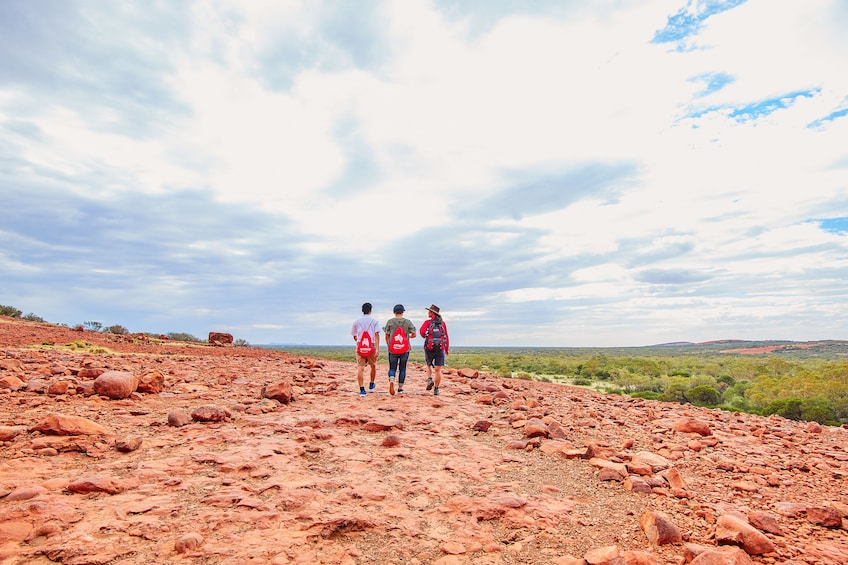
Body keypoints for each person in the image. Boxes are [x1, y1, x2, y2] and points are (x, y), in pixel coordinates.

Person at [383, 304, 417, 395]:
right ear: (403, 312)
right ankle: (400, 388)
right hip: (405, 349)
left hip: (393, 349)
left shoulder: (390, 322)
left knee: (392, 367)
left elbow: (386, 335)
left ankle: (391, 379)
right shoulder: (408, 322)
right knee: (402, 368)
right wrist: (407, 336)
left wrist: (389, 345)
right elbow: (414, 334)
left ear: (394, 312)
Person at [351, 302, 380, 397]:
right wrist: (377, 349)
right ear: (370, 310)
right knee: (373, 365)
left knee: (360, 367)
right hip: (371, 346)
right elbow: (376, 335)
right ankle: (371, 383)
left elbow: (355, 336)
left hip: (360, 346)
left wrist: (360, 340)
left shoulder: (356, 321)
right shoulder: (375, 321)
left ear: (362, 310)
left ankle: (362, 389)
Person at [419, 304, 449, 396]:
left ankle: (429, 379)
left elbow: (422, 333)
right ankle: (436, 389)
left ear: (432, 313)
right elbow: (446, 336)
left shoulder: (427, 323)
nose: (428, 313)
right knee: (438, 370)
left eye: (429, 311)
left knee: (428, 365)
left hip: (429, 348)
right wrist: (446, 349)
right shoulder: (442, 323)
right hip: (440, 348)